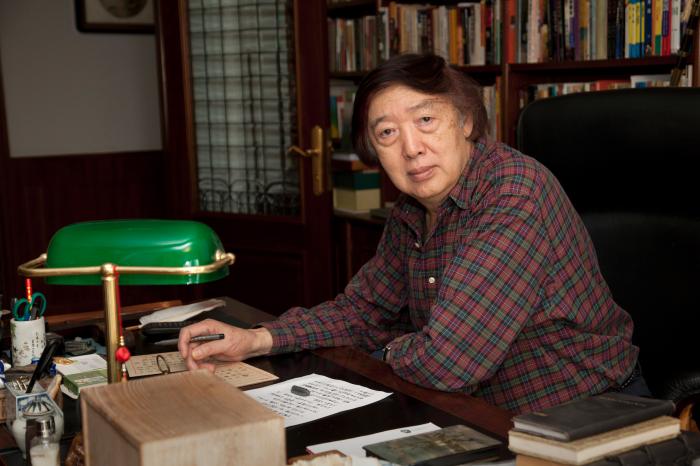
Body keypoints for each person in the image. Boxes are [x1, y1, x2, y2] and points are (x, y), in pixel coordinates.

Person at [179, 53, 646, 413]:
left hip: (590, 417)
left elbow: (451, 362)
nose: (411, 148)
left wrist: (385, 347)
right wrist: (258, 339)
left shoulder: (513, 191)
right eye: (387, 133)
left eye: (426, 120)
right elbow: (364, 310)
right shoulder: (412, 209)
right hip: (484, 415)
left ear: (465, 121)